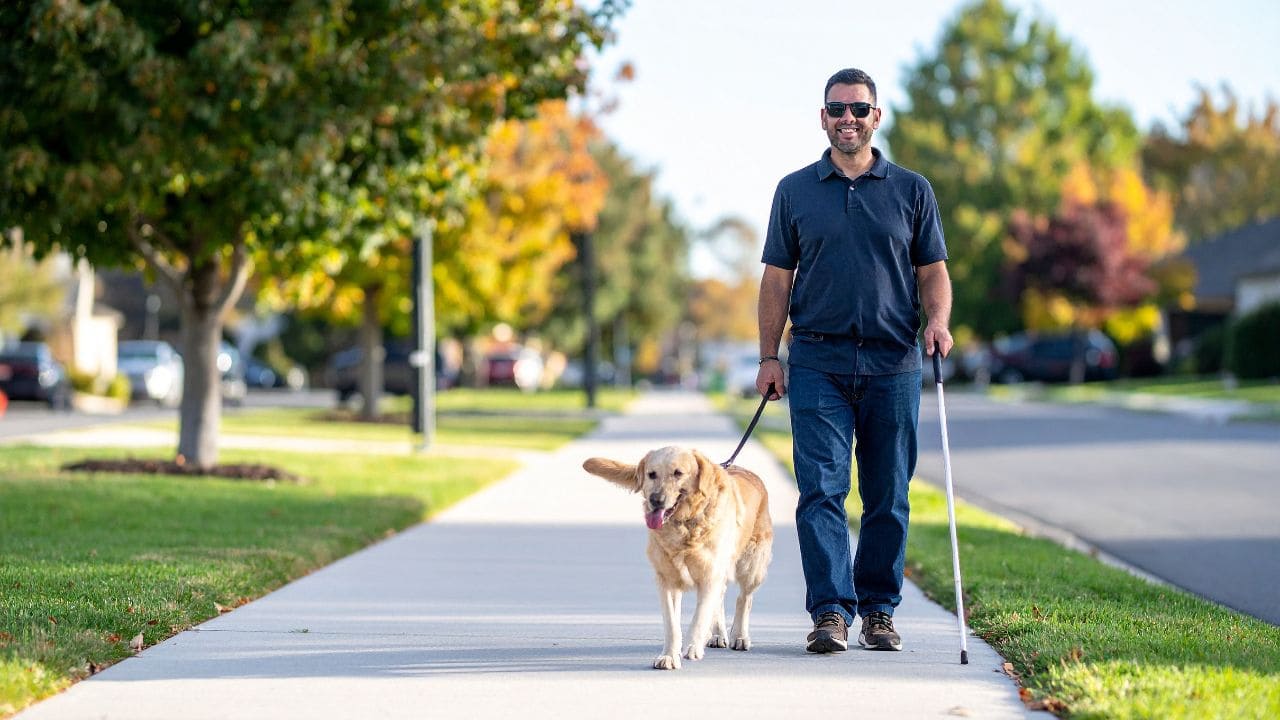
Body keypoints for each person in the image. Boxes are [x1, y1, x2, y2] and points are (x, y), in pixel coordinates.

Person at [755, 67, 953, 654]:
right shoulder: (794, 190)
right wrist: (770, 356)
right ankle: (831, 613)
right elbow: (775, 280)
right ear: (823, 118)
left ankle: (879, 611)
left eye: (859, 110)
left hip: (893, 363)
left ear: (876, 117)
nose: (848, 119)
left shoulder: (912, 190)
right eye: (837, 109)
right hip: (817, 360)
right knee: (820, 490)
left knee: (888, 494)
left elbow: (933, 271)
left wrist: (937, 322)